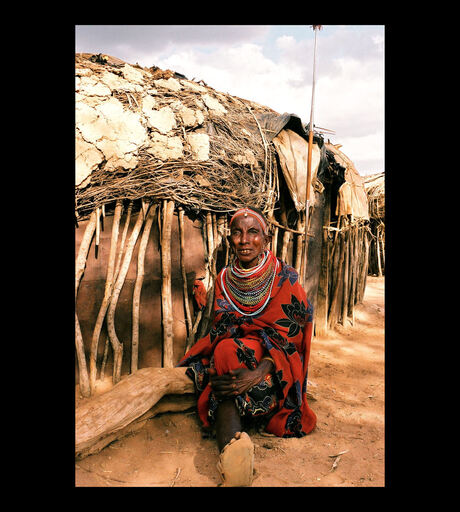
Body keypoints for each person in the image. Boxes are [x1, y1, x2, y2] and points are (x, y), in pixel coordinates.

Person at [177, 206, 316, 486]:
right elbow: (223, 329)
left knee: (221, 384)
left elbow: (294, 338)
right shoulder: (225, 279)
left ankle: (231, 445)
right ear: (229, 240)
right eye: (237, 233)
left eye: (253, 232)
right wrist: (235, 363)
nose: (244, 240)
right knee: (223, 352)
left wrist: (255, 373)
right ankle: (235, 456)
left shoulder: (284, 277)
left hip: (272, 369)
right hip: (236, 365)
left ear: (266, 239)